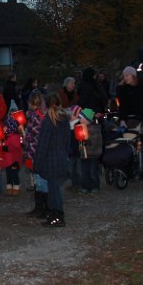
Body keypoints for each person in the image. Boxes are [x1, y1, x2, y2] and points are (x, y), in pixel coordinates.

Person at [34, 94, 70, 227]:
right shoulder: (64, 119)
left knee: (53, 191)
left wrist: (37, 163)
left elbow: (43, 144)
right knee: (55, 189)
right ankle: (55, 215)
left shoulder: (49, 120)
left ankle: (57, 216)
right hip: (61, 158)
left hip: (51, 160)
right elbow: (67, 140)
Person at [115, 65, 143, 174]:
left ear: (133, 76)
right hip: (130, 120)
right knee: (130, 143)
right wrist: (122, 119)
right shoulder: (122, 89)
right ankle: (135, 168)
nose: (126, 78)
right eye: (124, 76)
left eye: (128, 75)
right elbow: (122, 107)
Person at [23, 91, 48, 218]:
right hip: (34, 152)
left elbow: (34, 136)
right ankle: (39, 207)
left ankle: (43, 208)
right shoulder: (38, 116)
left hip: (36, 152)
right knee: (38, 181)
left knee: (41, 181)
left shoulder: (37, 117)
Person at [77, 108, 103, 194]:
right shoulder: (81, 128)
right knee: (84, 172)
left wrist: (86, 141)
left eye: (81, 118)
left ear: (87, 119)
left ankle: (95, 186)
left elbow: (95, 141)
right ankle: (86, 186)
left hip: (93, 154)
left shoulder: (95, 128)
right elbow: (81, 142)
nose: (79, 119)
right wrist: (81, 146)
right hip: (84, 154)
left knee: (92, 172)